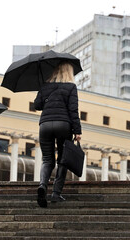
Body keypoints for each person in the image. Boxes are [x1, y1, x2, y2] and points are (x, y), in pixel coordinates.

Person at [34, 62, 82, 208]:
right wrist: (77, 131)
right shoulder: (71, 87)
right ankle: (56, 193)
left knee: (47, 159)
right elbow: (73, 110)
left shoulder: (45, 86)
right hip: (63, 125)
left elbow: (37, 105)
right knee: (63, 159)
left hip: (45, 125)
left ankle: (43, 185)